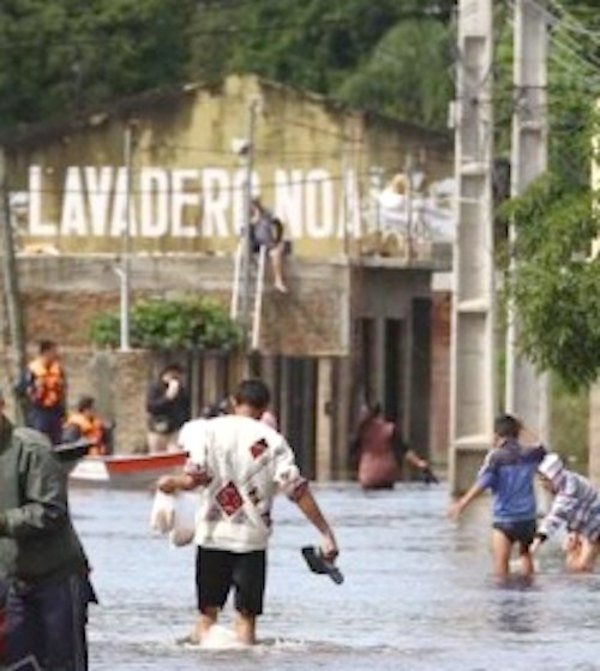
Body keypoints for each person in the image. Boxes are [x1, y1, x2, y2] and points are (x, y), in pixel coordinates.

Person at [157, 378, 339, 646]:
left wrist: (170, 484)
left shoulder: (207, 432)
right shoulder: (272, 442)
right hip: (251, 541)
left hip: (212, 535)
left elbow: (194, 478)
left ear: (233, 402)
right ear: (266, 408)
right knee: (246, 620)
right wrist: (326, 532)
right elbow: (297, 490)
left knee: (207, 617)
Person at [0, 389, 96, 670]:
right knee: (20, 665)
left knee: (64, 663)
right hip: (15, 581)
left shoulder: (31, 449)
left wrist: (3, 521)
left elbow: (51, 511)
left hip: (57, 577)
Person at [448, 414, 546, 580]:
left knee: (500, 571)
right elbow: (542, 447)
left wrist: (462, 503)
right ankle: (530, 597)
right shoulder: (530, 454)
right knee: (525, 556)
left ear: (496, 435)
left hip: (504, 519)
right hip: (527, 518)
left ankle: (502, 600)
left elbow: (483, 483)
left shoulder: (496, 457)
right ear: (518, 433)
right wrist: (523, 430)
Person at [530, 453, 600, 572]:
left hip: (595, 524)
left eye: (545, 480)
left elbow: (556, 516)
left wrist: (535, 544)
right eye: (540, 480)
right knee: (571, 565)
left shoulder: (569, 487)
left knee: (582, 567)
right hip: (581, 525)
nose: (542, 485)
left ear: (554, 477)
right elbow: (573, 512)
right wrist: (573, 532)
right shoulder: (563, 481)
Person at [350, 402, 436, 489]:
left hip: (368, 477)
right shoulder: (390, 429)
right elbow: (404, 450)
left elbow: (352, 451)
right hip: (387, 475)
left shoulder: (361, 432)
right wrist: (420, 463)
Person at [24, 339, 67, 445]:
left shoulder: (58, 369)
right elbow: (23, 390)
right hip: (39, 412)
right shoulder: (32, 370)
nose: (56, 354)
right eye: (54, 351)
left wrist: (63, 411)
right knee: (40, 441)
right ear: (45, 352)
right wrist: (35, 389)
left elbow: (63, 391)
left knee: (57, 442)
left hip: (55, 411)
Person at [146, 363, 190, 453]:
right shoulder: (156, 388)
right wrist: (168, 397)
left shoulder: (181, 390)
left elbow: (185, 408)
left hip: (175, 430)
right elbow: (151, 407)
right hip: (158, 430)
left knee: (174, 456)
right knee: (157, 458)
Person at [250, 193, 288, 293]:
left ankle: (278, 280)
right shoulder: (247, 215)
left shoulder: (266, 213)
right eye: (254, 203)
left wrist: (278, 239)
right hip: (254, 243)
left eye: (257, 202)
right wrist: (253, 223)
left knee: (276, 251)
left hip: (267, 242)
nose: (256, 205)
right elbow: (243, 232)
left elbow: (278, 223)